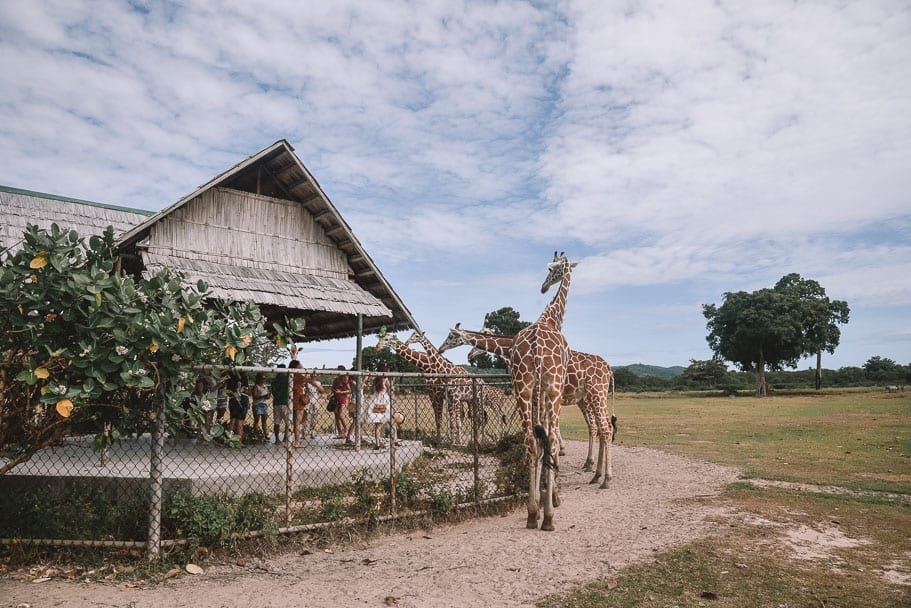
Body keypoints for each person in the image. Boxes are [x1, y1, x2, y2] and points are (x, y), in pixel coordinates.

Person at [363, 375, 391, 450]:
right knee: (387, 422)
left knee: (377, 426)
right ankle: (393, 441)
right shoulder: (386, 380)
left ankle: (377, 444)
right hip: (384, 403)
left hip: (375, 403)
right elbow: (389, 390)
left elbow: (372, 391)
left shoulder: (375, 380)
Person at [227, 371, 250, 443]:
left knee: (233, 420)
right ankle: (239, 441)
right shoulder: (244, 377)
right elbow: (246, 391)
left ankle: (230, 439)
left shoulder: (230, 377)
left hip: (233, 398)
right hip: (242, 399)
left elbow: (228, 392)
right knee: (240, 421)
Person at [271, 364, 291, 445]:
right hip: (285, 402)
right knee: (287, 422)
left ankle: (277, 439)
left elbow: (273, 392)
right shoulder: (287, 379)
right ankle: (285, 438)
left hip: (276, 402)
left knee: (277, 422)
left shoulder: (274, 381)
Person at [250, 373, 271, 442]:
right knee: (256, 420)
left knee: (264, 421)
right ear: (258, 379)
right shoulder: (256, 386)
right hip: (257, 404)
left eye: (264, 378)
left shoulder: (265, 386)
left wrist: (267, 396)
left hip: (264, 404)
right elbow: (255, 396)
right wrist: (263, 396)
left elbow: (266, 396)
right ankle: (256, 434)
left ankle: (265, 434)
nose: (263, 380)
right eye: (261, 378)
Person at [331, 372, 351, 439]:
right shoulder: (336, 379)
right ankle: (340, 433)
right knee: (336, 416)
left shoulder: (345, 379)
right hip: (336, 398)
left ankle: (346, 429)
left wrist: (341, 392)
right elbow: (332, 388)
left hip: (343, 398)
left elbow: (349, 390)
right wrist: (334, 391)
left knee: (341, 415)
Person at [305, 372, 324, 439]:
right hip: (308, 399)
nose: (314, 375)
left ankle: (312, 431)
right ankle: (305, 431)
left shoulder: (318, 383)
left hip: (315, 399)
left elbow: (322, 391)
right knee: (307, 415)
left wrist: (317, 385)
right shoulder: (307, 382)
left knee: (314, 415)